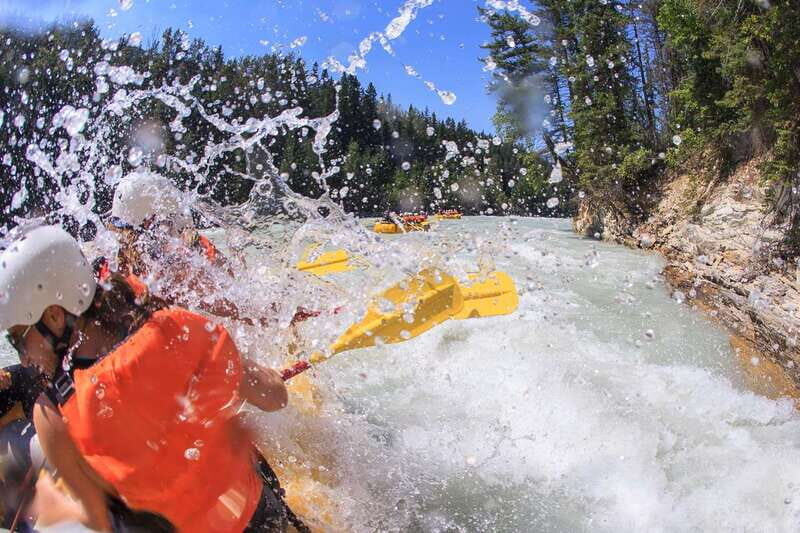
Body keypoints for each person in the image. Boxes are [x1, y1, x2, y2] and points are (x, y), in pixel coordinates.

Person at [0, 224, 306, 532]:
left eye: (18, 340)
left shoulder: (51, 413)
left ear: (54, 315)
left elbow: (100, 521)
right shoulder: (174, 327)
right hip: (261, 515)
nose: (23, 358)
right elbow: (275, 396)